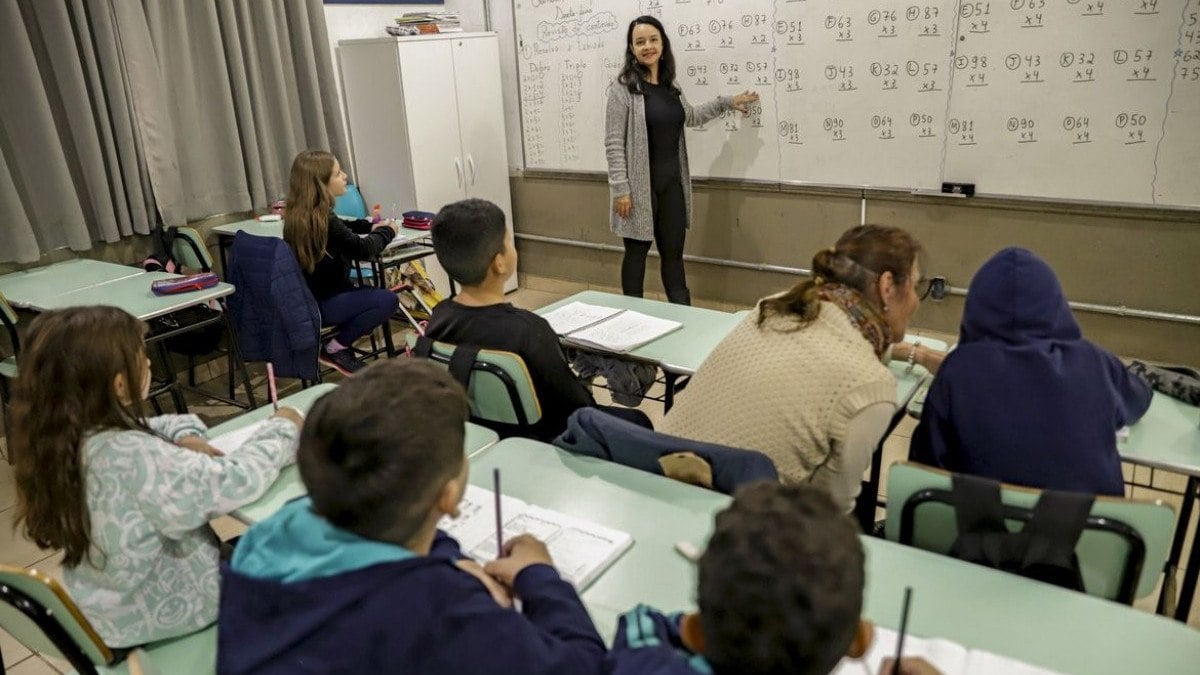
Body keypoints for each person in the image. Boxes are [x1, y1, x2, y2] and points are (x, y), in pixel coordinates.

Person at [218, 359, 606, 674]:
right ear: (449, 497)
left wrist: (454, 563)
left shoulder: (272, 532)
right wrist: (538, 576)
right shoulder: (442, 612)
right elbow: (587, 665)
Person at [9, 306, 302, 648]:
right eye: (142, 356)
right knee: (298, 558)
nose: (149, 364)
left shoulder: (64, 438)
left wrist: (184, 436)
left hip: (110, 609)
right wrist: (284, 425)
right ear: (120, 384)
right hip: (173, 609)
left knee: (253, 548)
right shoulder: (133, 458)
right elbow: (237, 480)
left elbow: (153, 428)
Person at [660, 225, 935, 512]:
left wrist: (916, 353)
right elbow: (829, 510)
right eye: (916, 286)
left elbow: (828, 342)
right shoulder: (871, 386)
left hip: (657, 483)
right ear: (887, 286)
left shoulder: (774, 307)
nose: (916, 300)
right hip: (736, 529)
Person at [605, 482, 940, 675]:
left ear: (696, 633)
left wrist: (718, 624)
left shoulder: (649, 666)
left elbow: (641, 622)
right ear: (860, 640)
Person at [910, 247, 1152, 496]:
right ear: (1056, 303)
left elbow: (925, 464)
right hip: (1088, 531)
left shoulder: (957, 369)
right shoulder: (1094, 362)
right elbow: (1138, 400)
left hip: (975, 529)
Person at [424, 198, 651, 440]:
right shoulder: (530, 331)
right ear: (500, 263)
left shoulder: (438, 318)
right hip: (548, 441)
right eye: (509, 241)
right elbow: (579, 407)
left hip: (484, 435)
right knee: (640, 421)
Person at [605, 15, 760, 305]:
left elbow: (691, 116)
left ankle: (683, 314)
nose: (647, 46)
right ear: (632, 48)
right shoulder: (623, 89)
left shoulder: (670, 87)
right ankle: (631, 316)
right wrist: (621, 188)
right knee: (636, 254)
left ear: (663, 44)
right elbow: (613, 142)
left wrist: (727, 102)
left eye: (653, 40)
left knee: (674, 254)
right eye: (640, 42)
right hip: (639, 190)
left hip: (672, 185)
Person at [283, 149, 399, 376]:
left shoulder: (301, 215)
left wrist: (368, 227)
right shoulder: (325, 220)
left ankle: (333, 345)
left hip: (309, 300)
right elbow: (363, 249)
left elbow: (343, 228)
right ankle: (334, 348)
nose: (345, 176)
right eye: (338, 174)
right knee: (387, 300)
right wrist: (388, 231)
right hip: (325, 304)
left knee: (368, 295)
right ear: (321, 184)